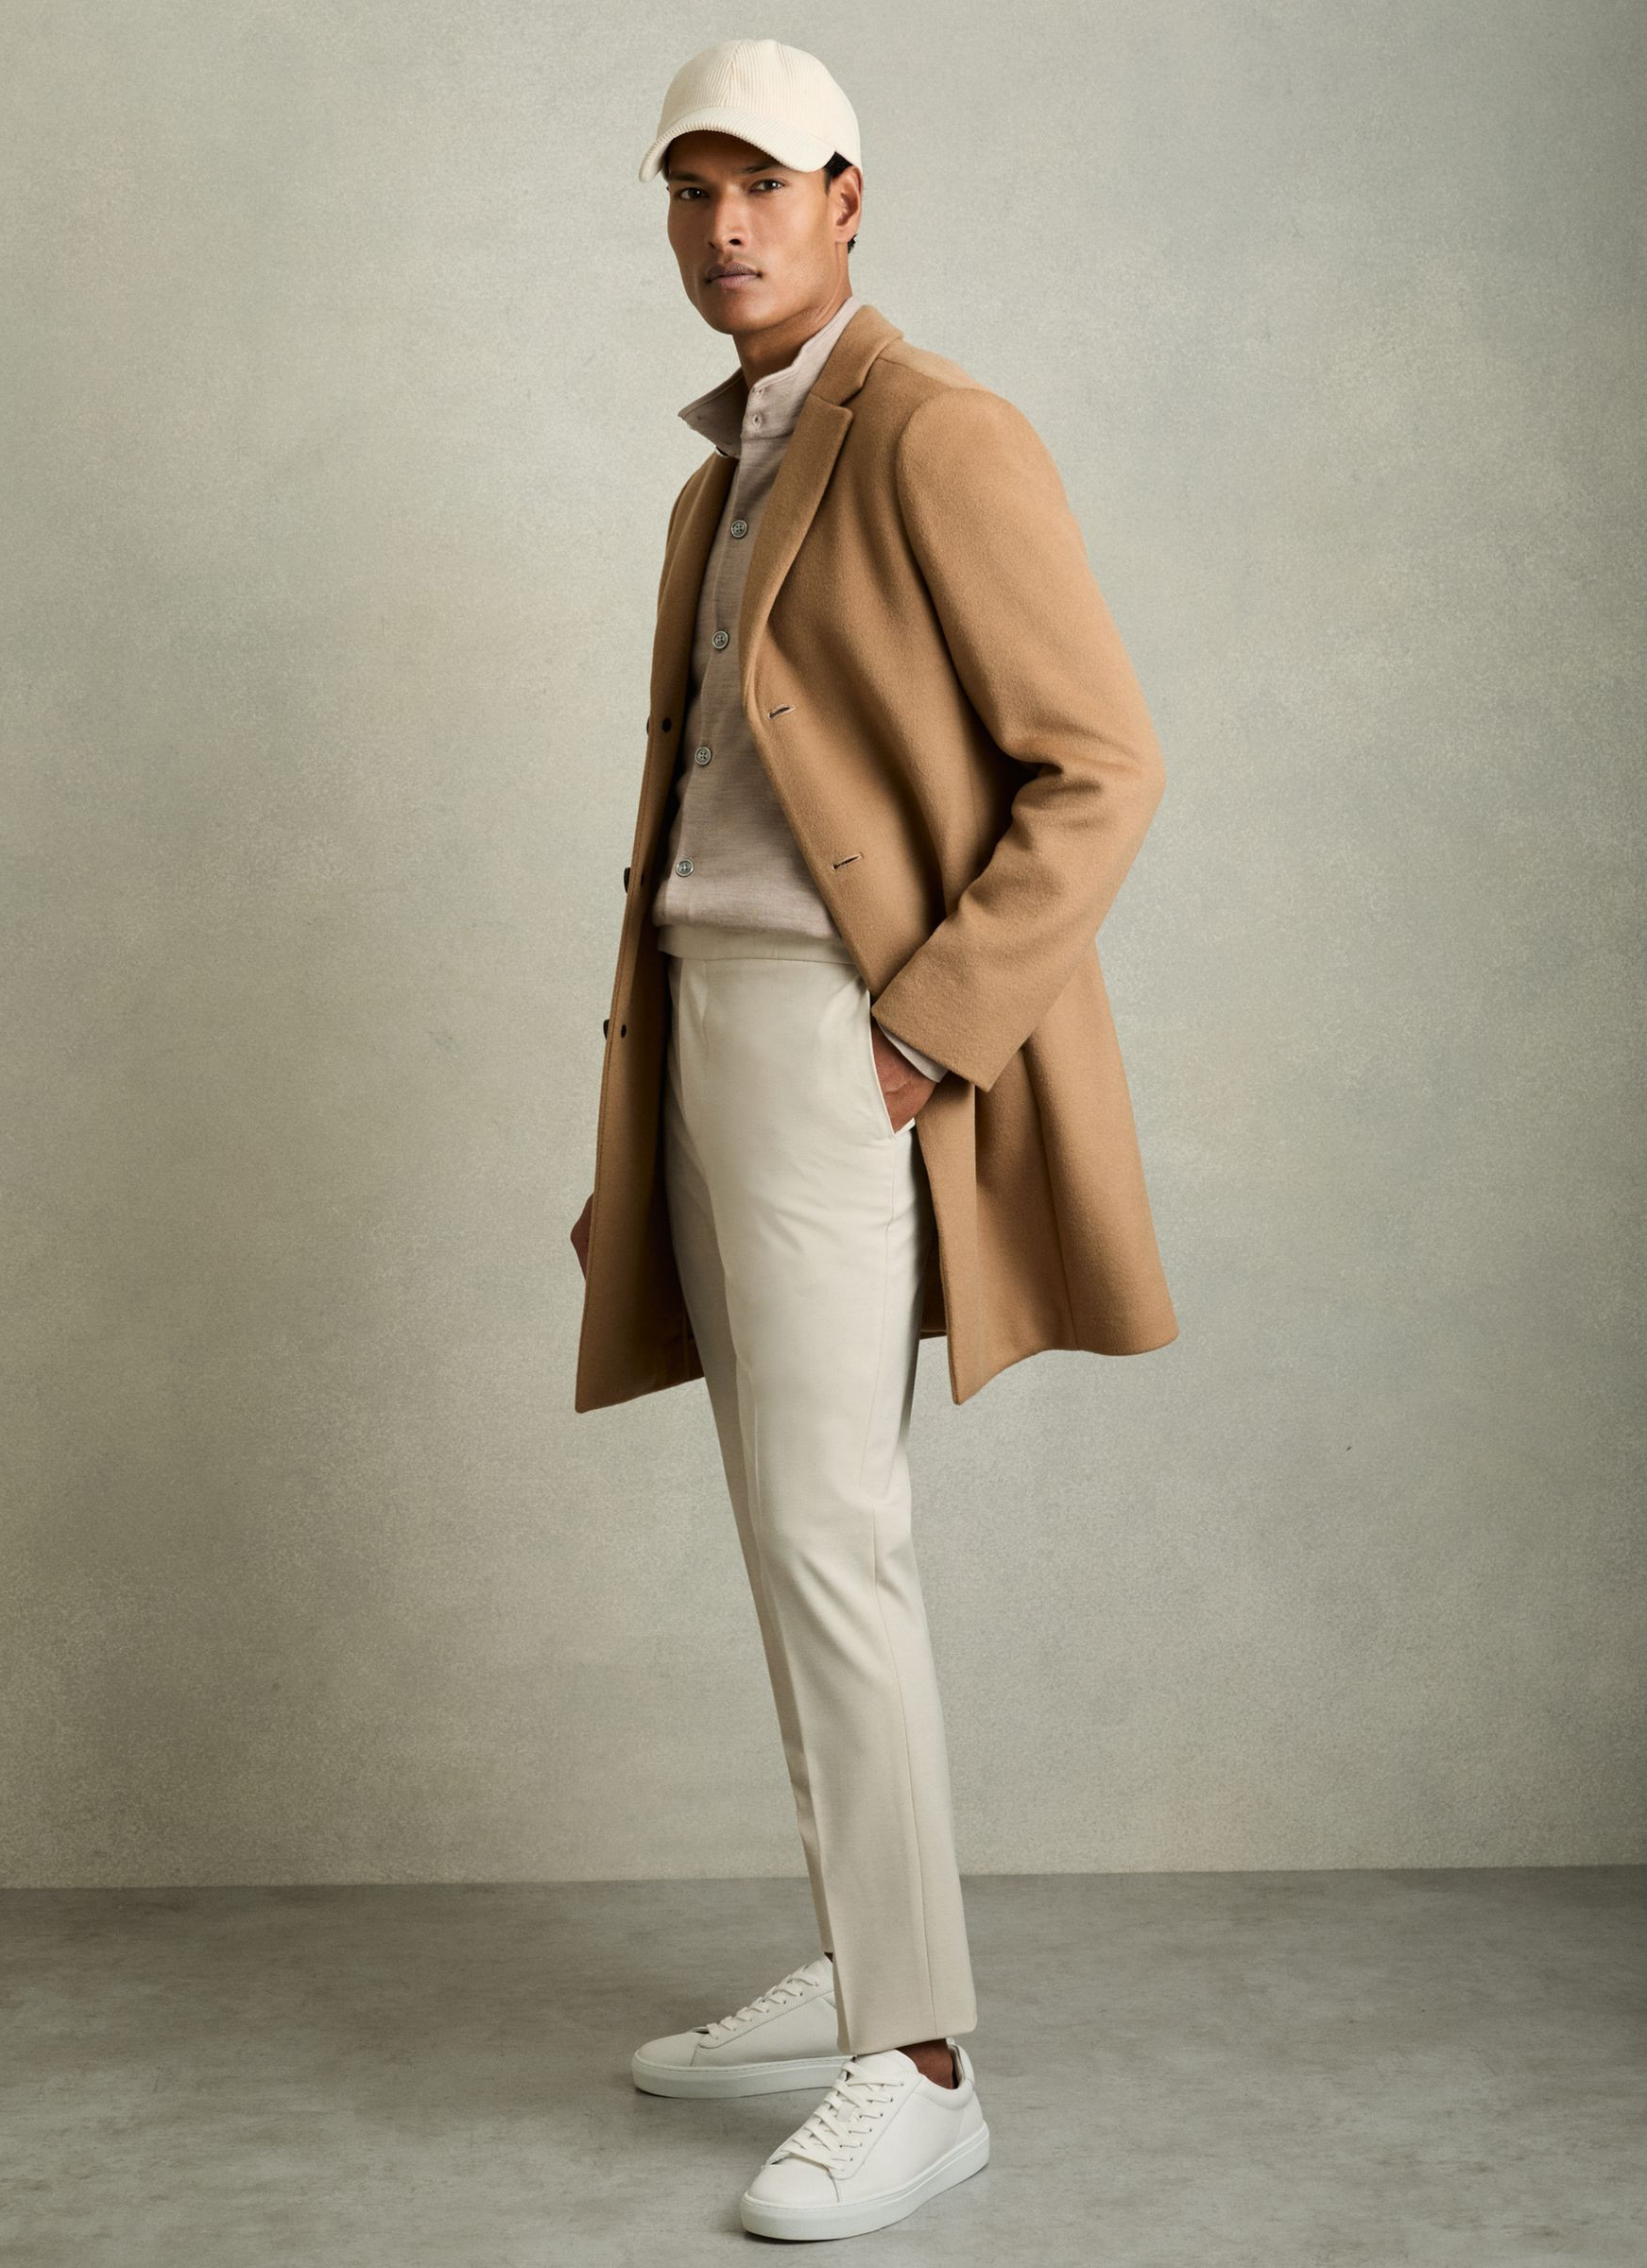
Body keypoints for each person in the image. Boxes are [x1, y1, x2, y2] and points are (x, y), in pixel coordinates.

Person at [569, 36, 1177, 2242]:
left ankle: (921, 2066)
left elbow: (1100, 764)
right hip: (708, 1034)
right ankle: (862, 1959)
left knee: (835, 1532)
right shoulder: (715, 476)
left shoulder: (935, 430)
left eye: (766, 185)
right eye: (690, 189)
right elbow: (703, 819)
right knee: (786, 1524)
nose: (724, 225)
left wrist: (922, 1031)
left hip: (839, 1043)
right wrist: (639, 1121)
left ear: (849, 200)